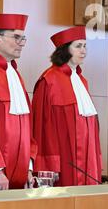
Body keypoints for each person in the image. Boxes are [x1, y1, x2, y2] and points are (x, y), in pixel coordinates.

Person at [32, 26, 102, 186]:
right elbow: (42, 127)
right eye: (78, 46)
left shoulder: (82, 80)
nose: (83, 50)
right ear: (64, 49)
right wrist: (48, 166)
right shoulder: (48, 80)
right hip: (64, 161)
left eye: (85, 46)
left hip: (87, 160)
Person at [0, 13, 37, 190]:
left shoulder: (16, 75)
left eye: (23, 38)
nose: (22, 43)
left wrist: (28, 167)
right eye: (16, 37)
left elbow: (27, 128)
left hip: (19, 174)